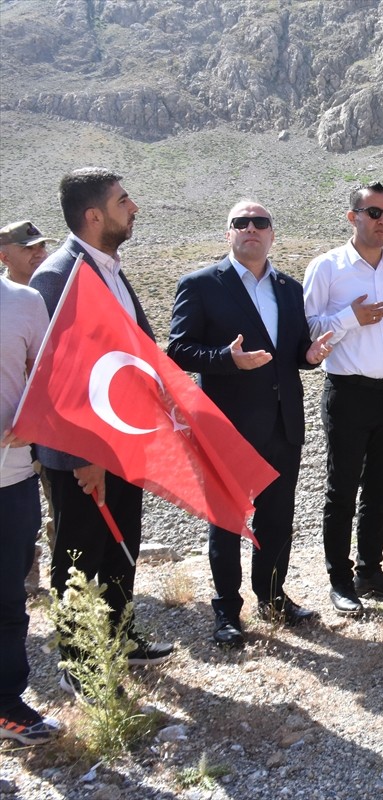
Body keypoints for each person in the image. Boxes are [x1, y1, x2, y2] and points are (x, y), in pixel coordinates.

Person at [30, 168, 174, 691]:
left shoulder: (111, 269)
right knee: (78, 554)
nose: (133, 208)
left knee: (120, 544)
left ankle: (120, 638)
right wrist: (84, 455)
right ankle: (79, 663)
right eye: (122, 201)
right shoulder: (57, 277)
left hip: (125, 444)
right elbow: (56, 379)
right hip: (82, 455)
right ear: (94, 216)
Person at [168, 200, 332, 646]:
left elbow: (294, 352)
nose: (251, 228)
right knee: (227, 520)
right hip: (228, 427)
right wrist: (227, 359)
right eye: (241, 223)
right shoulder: (201, 284)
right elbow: (178, 350)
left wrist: (310, 356)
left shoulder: (289, 288)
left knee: (277, 518)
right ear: (229, 234)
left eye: (260, 222)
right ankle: (226, 611)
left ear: (272, 234)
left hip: (282, 424)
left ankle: (273, 597)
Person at [303, 183, 383, 614]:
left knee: (379, 486)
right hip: (348, 391)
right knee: (342, 490)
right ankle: (340, 580)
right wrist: (349, 318)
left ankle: (370, 571)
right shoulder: (327, 267)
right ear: (352, 216)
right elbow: (309, 330)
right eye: (374, 213)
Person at [0, 276, 61, 745]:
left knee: (8, 600)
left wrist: (35, 420)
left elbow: (53, 378)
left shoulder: (24, 302)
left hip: (12, 479)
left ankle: (6, 705)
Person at [0, 220, 58, 595]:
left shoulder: (50, 293)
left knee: (54, 500)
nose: (39, 253)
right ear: (5, 257)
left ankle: (63, 578)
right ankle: (26, 576)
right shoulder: (13, 300)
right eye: (28, 249)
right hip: (10, 432)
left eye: (41, 247)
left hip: (43, 425)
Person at [0, 220, 54, 285]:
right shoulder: (3, 291)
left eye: (42, 245)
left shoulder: (59, 284)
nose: (41, 254)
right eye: (28, 247)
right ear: (5, 257)